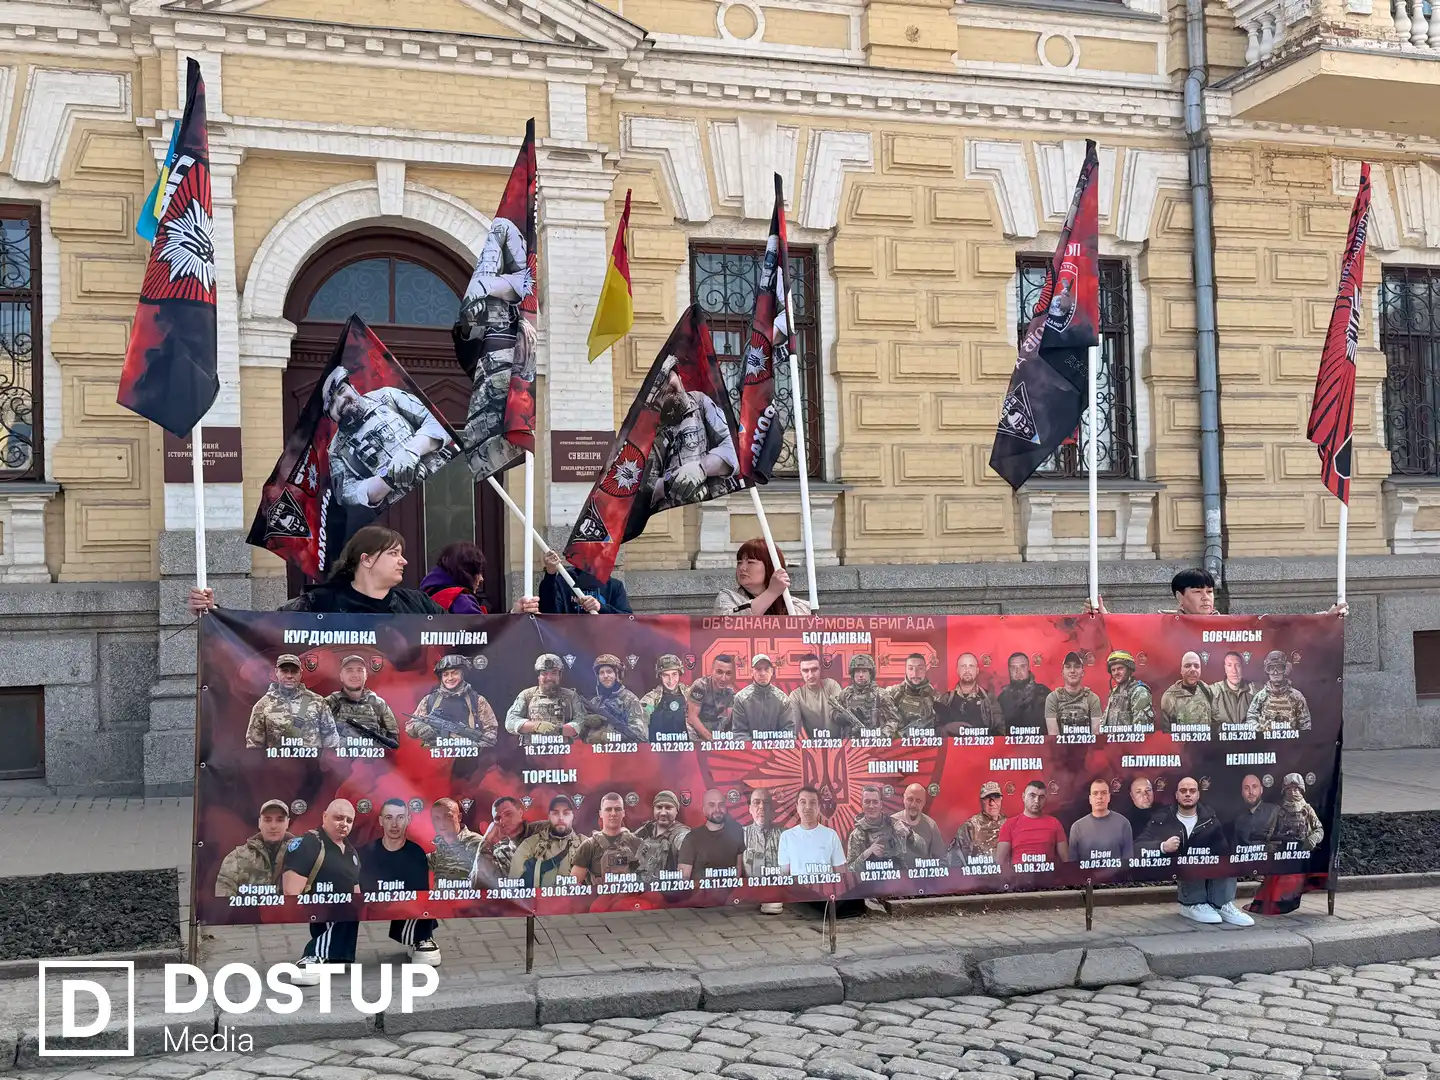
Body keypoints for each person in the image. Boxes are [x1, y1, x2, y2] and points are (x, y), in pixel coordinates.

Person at [190, 526, 443, 617]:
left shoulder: (419, 605)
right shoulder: (317, 604)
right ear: (366, 560)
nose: (404, 561)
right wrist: (214, 612)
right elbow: (260, 632)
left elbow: (464, 635)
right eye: (394, 553)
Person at [456, 214, 536, 477]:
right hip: (497, 383)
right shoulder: (485, 292)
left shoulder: (504, 284)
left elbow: (503, 226)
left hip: (514, 381)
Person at [322, 366, 452, 510]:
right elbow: (346, 493)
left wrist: (412, 450)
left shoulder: (386, 397)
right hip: (404, 508)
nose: (341, 401)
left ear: (352, 387)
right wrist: (387, 479)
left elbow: (437, 422)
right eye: (332, 403)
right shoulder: (336, 451)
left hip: (446, 480)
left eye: (341, 390)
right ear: (330, 416)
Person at [1137, 776, 1252, 927]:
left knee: (1226, 858)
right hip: (1175, 869)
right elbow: (1138, 846)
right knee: (1190, 857)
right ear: (1176, 795)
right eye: (1183, 791)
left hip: (1207, 867)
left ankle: (1221, 904)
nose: (1188, 794)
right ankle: (1191, 903)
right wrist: (1162, 846)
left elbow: (1223, 850)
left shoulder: (1210, 818)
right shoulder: (1162, 819)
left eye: (1192, 791)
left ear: (1198, 795)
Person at [278, 799, 363, 983]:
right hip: (317, 909)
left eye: (349, 820)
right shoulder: (308, 843)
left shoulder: (351, 852)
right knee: (347, 906)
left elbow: (357, 894)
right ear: (325, 816)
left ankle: (332, 954)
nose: (344, 824)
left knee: (352, 905)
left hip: (343, 914)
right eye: (338, 818)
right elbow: (291, 891)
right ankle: (314, 955)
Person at [643, 356, 739, 513]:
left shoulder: (701, 403)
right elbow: (646, 486)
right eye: (661, 390)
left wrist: (701, 468)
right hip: (673, 510)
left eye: (671, 382)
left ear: (680, 378)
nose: (668, 388)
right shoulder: (651, 427)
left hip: (713, 504)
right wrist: (673, 482)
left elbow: (732, 448)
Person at [359, 799, 439, 965]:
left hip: (406, 906)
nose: (394, 824)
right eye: (389, 817)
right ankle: (325, 948)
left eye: (400, 817)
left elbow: (420, 897)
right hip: (370, 905)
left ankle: (421, 937)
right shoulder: (365, 853)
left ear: (408, 820)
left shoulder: (416, 853)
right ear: (381, 821)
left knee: (421, 897)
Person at [505, 654, 605, 747]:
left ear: (560, 675)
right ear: (539, 676)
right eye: (544, 673)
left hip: (563, 754)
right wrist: (535, 726)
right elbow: (510, 721)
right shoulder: (527, 695)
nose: (549, 677)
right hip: (532, 754)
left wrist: (560, 730)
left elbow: (582, 720)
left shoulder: (571, 696)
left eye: (554, 673)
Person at [245, 654, 338, 750]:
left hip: (311, 763)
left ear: (300, 673)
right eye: (284, 671)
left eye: (294, 671)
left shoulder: (318, 702)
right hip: (278, 763)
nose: (289, 676)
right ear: (276, 672)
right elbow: (254, 745)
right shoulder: (263, 705)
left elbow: (331, 742)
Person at [421, 540, 539, 614]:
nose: (481, 579)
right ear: (466, 572)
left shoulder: (425, 595)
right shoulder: (461, 601)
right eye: (478, 572)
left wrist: (514, 613)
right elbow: (487, 637)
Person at [407, 655, 499, 749]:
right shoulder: (429, 700)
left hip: (466, 758)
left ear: (462, 675)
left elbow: (491, 733)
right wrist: (419, 727)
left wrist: (476, 747)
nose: (450, 678)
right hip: (436, 757)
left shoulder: (477, 700)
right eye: (445, 674)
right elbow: (410, 726)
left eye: (454, 673)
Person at [215, 799, 293, 897]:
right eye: (267, 820)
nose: (273, 826)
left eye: (280, 820)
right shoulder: (237, 857)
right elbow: (223, 901)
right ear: (259, 823)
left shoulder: (302, 854)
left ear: (288, 823)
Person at [714, 539, 811, 616]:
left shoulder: (800, 607)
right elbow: (727, 625)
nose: (742, 568)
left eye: (750, 562)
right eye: (739, 562)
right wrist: (772, 592)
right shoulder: (728, 598)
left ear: (770, 566)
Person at [326, 655, 399, 750]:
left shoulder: (378, 704)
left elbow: (393, 741)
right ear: (341, 676)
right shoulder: (329, 703)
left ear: (366, 676)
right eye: (349, 670)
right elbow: (314, 737)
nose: (355, 675)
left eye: (360, 670)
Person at [509, 795, 582, 889]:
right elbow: (513, 884)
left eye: (566, 813)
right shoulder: (530, 844)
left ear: (572, 816)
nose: (561, 818)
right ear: (549, 816)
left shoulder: (585, 844)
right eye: (555, 813)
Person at [994, 780, 1068, 871]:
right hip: (1019, 880)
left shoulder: (1054, 823)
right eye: (1032, 796)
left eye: (1041, 797)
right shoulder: (1009, 824)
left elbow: (1066, 861)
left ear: (1046, 799)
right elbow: (999, 862)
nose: (1036, 801)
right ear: (1023, 797)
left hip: (1047, 879)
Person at [677, 788, 747, 884]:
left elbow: (738, 869)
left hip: (730, 895)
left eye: (721, 804)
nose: (717, 809)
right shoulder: (692, 838)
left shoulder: (737, 831)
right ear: (704, 810)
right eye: (712, 805)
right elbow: (683, 879)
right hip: (700, 896)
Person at [571, 792, 641, 887]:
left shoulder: (636, 843)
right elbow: (573, 885)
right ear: (601, 813)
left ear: (623, 813)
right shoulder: (588, 846)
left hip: (628, 899)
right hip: (599, 899)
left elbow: (649, 879)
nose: (613, 813)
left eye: (617, 809)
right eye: (608, 809)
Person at [474, 795, 544, 886]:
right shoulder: (498, 852)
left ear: (520, 813)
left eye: (508, 814)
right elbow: (477, 887)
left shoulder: (543, 830)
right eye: (497, 818)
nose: (503, 821)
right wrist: (486, 840)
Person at [777, 787, 847, 876]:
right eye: (803, 802)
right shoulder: (786, 837)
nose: (808, 807)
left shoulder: (831, 835)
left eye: (812, 802)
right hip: (797, 889)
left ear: (818, 807)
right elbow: (783, 875)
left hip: (827, 889)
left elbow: (841, 873)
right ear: (797, 807)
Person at [785, 653, 859, 738]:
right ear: (800, 672)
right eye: (805, 670)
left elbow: (841, 713)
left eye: (814, 669)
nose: (811, 675)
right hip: (813, 747)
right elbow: (793, 726)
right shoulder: (796, 696)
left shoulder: (831, 685)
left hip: (838, 745)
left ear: (820, 669)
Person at [539, 549, 629, 615]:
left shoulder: (614, 586)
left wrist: (601, 607)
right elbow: (548, 612)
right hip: (569, 638)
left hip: (602, 639)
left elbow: (627, 619)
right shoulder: (564, 582)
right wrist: (550, 574)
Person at [1068, 778, 1133, 866]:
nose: (1099, 797)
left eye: (1103, 793)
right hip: (1087, 879)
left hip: (1116, 879)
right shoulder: (1077, 828)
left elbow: (1128, 863)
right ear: (1090, 799)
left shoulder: (1123, 824)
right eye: (1095, 793)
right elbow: (1073, 866)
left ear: (1109, 797)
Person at [846, 785, 913, 871]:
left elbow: (922, 847)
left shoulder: (895, 824)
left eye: (875, 802)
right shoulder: (856, 835)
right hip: (870, 882)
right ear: (861, 804)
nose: (871, 806)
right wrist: (868, 853)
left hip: (898, 881)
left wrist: (909, 835)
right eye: (867, 802)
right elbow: (850, 870)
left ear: (881, 804)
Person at [585, 654, 648, 744]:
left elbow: (638, 733)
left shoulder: (630, 699)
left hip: (624, 754)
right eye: (602, 673)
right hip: (597, 755)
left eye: (609, 672)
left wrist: (605, 737)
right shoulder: (594, 702)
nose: (605, 676)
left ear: (617, 674)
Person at [1246, 650, 1312, 734]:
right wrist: (1261, 731)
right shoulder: (1260, 697)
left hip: (1291, 744)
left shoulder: (1297, 697)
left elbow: (1306, 726)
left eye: (1279, 668)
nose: (1275, 672)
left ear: (1285, 670)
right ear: (1267, 671)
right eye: (1271, 668)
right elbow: (1250, 719)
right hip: (1266, 744)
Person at [728, 654, 794, 737]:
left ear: (772, 672)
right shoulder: (740, 698)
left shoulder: (783, 699)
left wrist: (772, 748)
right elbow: (739, 733)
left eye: (766, 669)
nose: (762, 673)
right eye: (758, 669)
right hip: (750, 749)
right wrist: (756, 749)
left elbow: (788, 733)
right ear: (752, 672)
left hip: (776, 749)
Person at [741, 788, 784, 913]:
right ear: (750, 808)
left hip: (777, 892)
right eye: (756, 802)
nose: (761, 807)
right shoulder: (741, 834)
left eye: (766, 803)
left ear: (772, 808)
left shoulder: (784, 835)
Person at [938, 653, 1001, 737]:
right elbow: (933, 731)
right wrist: (946, 729)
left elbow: (1000, 732)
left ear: (977, 670)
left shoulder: (989, 699)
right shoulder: (946, 699)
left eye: (971, 666)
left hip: (982, 749)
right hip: (953, 749)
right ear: (957, 670)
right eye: (963, 666)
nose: (967, 670)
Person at [634, 790, 692, 882]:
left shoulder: (682, 835)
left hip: (666, 892)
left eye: (668, 808)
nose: (663, 812)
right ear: (654, 809)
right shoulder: (646, 829)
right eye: (659, 807)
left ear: (676, 811)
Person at [640, 655, 697, 744]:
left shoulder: (690, 695)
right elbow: (641, 720)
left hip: (689, 752)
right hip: (659, 751)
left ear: (679, 673)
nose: (671, 680)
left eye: (674, 674)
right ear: (660, 676)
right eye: (665, 675)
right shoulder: (652, 698)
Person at [836, 654, 900, 734]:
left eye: (864, 671)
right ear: (853, 674)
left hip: (874, 742)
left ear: (870, 673)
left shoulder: (881, 695)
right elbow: (833, 711)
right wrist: (839, 717)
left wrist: (882, 734)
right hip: (850, 742)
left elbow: (894, 720)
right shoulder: (846, 694)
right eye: (857, 671)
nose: (861, 675)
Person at [1159, 651, 1218, 736]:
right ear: (1181, 670)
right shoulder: (1169, 697)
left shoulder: (1207, 690)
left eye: (1196, 666)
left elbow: (1216, 722)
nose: (1193, 669)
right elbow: (1165, 734)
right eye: (1188, 666)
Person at [428, 798, 485, 886]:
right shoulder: (440, 845)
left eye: (448, 816)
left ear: (459, 817)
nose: (442, 823)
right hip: (440, 899)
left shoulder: (477, 843)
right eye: (437, 818)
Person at [1045, 652, 1103, 736]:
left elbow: (1096, 734)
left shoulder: (1092, 698)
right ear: (1062, 673)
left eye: (1077, 667)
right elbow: (1053, 736)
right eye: (1068, 667)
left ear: (1082, 672)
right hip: (1061, 748)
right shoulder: (1053, 698)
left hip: (1087, 748)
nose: (1072, 671)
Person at [885, 653, 941, 738]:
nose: (915, 673)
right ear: (906, 670)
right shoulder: (891, 693)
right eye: (911, 668)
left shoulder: (936, 697)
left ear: (925, 670)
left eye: (920, 668)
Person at [951, 782, 1007, 866]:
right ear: (981, 801)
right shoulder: (970, 827)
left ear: (1001, 799)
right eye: (987, 798)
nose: (992, 803)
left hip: (1006, 877)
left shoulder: (1009, 825)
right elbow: (956, 861)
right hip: (978, 877)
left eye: (996, 798)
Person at [1265, 774, 1325, 852]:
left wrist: (1313, 839)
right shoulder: (1278, 810)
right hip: (1282, 853)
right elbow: (1266, 832)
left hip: (1303, 853)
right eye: (1289, 790)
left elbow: (1319, 829)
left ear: (1301, 790)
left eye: (1296, 789)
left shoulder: (1307, 809)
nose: (1292, 793)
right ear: (1285, 791)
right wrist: (1269, 845)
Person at [1102, 650, 1154, 733]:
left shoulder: (1139, 691)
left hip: (1128, 745)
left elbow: (1140, 731)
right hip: (1111, 744)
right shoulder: (1114, 692)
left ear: (1129, 669)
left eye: (1120, 669)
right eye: (1113, 670)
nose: (1116, 673)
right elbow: (1104, 722)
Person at [688, 654, 738, 740]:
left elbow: (730, 719)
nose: (723, 678)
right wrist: (711, 739)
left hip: (714, 727)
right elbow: (692, 717)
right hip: (695, 728)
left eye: (728, 673)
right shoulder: (700, 686)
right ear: (712, 671)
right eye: (719, 672)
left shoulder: (730, 692)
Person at [997, 653, 1050, 734]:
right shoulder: (1002, 698)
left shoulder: (1044, 694)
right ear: (1009, 670)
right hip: (1012, 745)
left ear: (1028, 668)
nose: (1018, 672)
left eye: (1022, 666)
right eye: (1013, 667)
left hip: (1039, 745)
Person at [894, 784, 946, 860]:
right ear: (903, 799)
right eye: (910, 799)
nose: (913, 805)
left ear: (924, 803)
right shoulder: (892, 822)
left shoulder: (931, 825)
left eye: (918, 801)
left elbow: (942, 859)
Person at [1233, 773, 1279, 849]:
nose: (1251, 792)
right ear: (1242, 792)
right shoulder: (1238, 819)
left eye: (1254, 787)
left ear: (1261, 790)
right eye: (1246, 788)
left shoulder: (1275, 811)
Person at [1211, 651, 1256, 729]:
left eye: (1237, 665)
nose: (1234, 671)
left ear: (1242, 668)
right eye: (1229, 665)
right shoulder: (1214, 691)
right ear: (1225, 668)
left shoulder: (1254, 690)